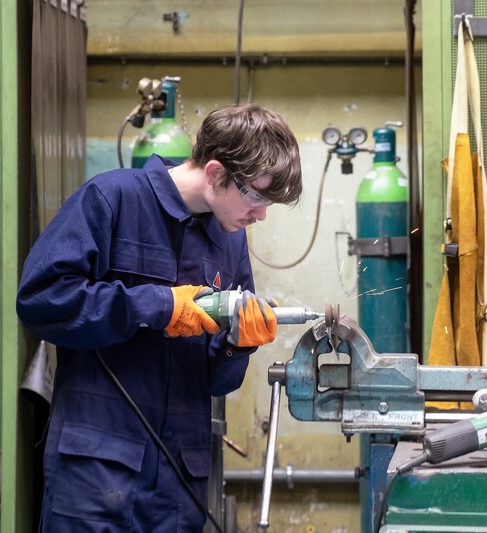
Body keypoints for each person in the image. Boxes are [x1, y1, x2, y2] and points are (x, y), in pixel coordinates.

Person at [16, 103, 303, 532]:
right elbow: (41, 299)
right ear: (215, 173)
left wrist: (237, 344)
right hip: (97, 471)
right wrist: (159, 306)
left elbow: (217, 382)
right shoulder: (112, 199)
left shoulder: (230, 241)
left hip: (178, 483)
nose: (260, 215)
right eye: (257, 197)